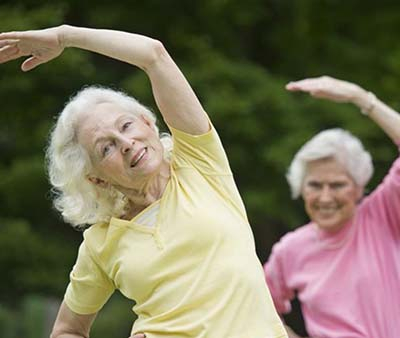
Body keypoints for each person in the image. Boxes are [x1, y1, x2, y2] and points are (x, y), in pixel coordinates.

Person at [0, 25, 288, 338]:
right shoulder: (101, 243)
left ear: (148, 123)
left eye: (126, 125)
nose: (125, 142)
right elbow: (67, 330)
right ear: (96, 178)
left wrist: (66, 36)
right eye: (106, 147)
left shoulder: (199, 164)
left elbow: (153, 56)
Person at [263, 76, 400, 338]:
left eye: (337, 185)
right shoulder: (290, 249)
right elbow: (256, 303)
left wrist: (360, 96)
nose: (325, 198)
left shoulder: (382, 214)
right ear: (301, 189)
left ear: (358, 188)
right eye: (315, 185)